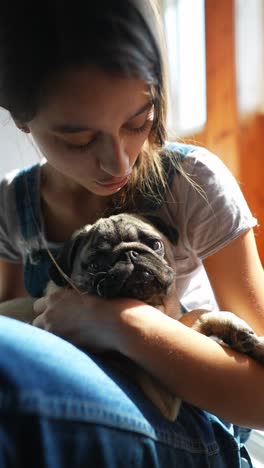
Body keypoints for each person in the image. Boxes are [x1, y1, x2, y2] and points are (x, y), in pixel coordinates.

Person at [0, 0, 263, 466]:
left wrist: (118, 322)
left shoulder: (190, 184)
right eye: (79, 140)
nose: (117, 162)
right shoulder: (11, 209)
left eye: (138, 122)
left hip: (193, 427)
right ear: (21, 118)